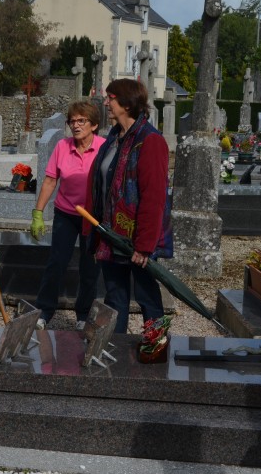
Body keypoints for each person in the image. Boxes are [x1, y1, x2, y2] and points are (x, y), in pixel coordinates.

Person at [85, 78, 172, 333]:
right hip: (111, 234)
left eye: (110, 98)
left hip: (136, 237)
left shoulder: (150, 140)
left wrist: (145, 246)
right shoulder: (114, 137)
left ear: (126, 103)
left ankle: (156, 348)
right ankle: (117, 351)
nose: (106, 102)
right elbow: (101, 185)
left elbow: (154, 197)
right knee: (115, 298)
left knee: (147, 297)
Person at [31, 101, 104, 331]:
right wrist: (38, 213)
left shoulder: (104, 147)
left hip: (93, 217)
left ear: (93, 125)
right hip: (66, 213)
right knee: (57, 263)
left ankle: (82, 314)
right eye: (72, 121)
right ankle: (45, 311)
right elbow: (51, 181)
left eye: (81, 120)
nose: (75, 125)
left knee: (89, 268)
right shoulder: (62, 147)